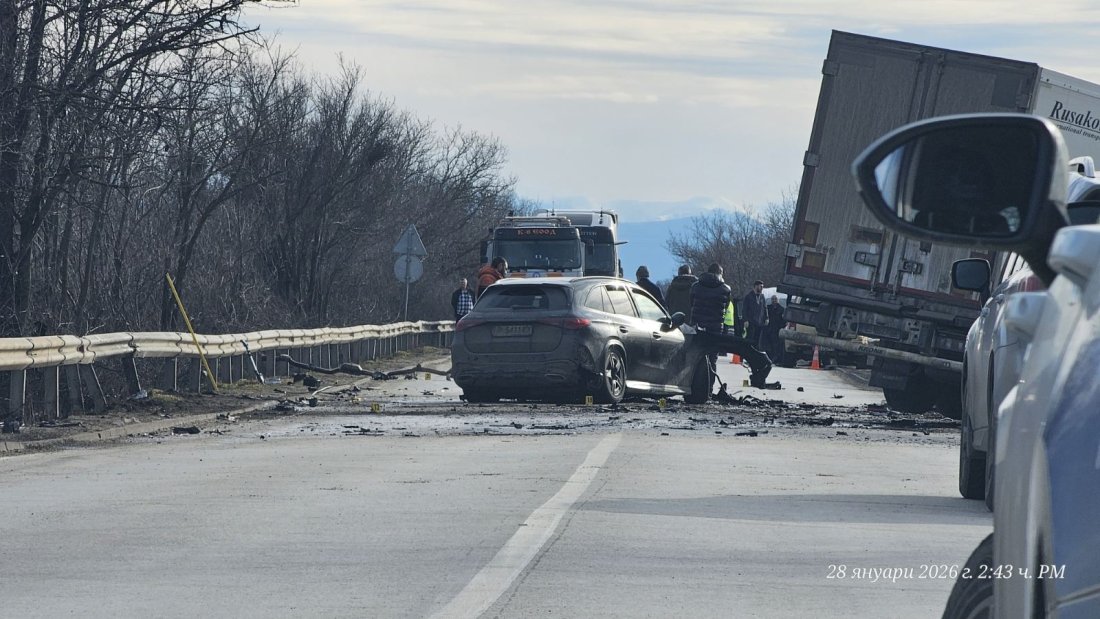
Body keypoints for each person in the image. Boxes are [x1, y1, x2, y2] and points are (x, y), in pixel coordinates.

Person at [690, 264, 776, 390]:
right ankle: (708, 388)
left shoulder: (695, 286)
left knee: (695, 357)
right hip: (715, 327)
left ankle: (693, 385)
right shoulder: (725, 289)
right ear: (720, 274)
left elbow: (691, 303)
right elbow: (725, 306)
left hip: (697, 326)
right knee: (712, 358)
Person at [741, 280, 768, 348]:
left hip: (760, 322)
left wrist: (767, 317)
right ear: (756, 286)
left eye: (762, 287)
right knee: (750, 338)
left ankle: (755, 354)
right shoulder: (748, 296)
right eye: (760, 286)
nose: (762, 288)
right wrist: (745, 320)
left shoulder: (762, 297)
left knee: (757, 340)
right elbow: (744, 309)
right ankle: (748, 352)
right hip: (751, 321)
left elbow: (765, 308)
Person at [761, 295, 785, 363]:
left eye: (775, 299)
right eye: (773, 299)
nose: (774, 300)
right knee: (768, 345)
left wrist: (781, 328)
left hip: (777, 330)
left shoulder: (781, 309)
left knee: (776, 345)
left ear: (778, 300)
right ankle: (768, 358)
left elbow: (783, 321)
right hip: (768, 329)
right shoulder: (768, 308)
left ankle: (776, 358)